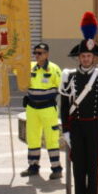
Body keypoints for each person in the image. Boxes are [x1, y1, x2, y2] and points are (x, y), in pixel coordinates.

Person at [59, 12, 98, 194]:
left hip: (94, 126)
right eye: (83, 56)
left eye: (89, 56)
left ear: (93, 57)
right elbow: (64, 106)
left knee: (93, 164)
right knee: (78, 165)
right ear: (79, 58)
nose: (86, 59)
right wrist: (65, 129)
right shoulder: (69, 77)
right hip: (76, 126)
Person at [21, 42, 63, 179]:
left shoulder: (54, 69)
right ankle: (33, 166)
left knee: (52, 138)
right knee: (32, 138)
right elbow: (15, 68)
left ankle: (56, 169)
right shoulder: (29, 67)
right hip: (32, 108)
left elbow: (62, 87)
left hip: (48, 108)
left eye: (41, 53)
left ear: (47, 54)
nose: (38, 55)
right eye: (36, 53)